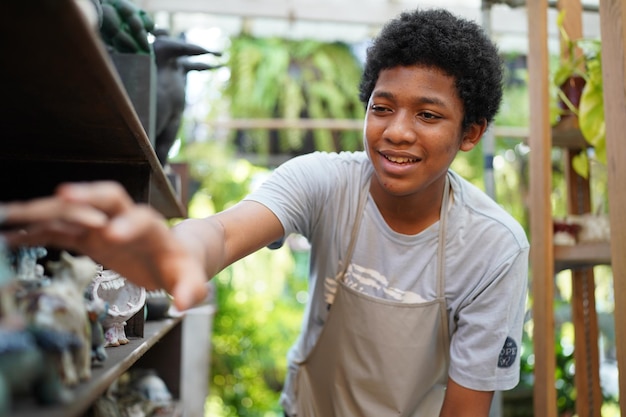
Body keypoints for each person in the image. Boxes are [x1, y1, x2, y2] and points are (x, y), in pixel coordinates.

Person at [0, 7, 529, 417]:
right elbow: (224, 233)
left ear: (472, 132)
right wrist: (171, 247)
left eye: (429, 114)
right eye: (382, 107)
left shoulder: (494, 248)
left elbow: (465, 407)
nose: (396, 131)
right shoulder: (325, 181)